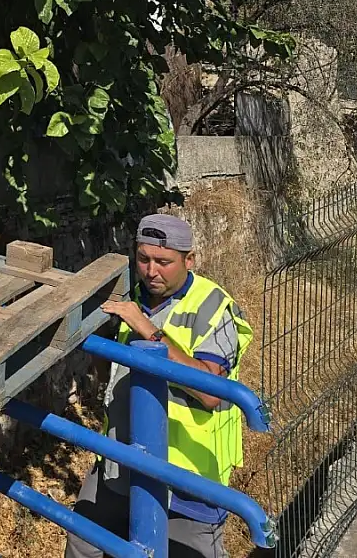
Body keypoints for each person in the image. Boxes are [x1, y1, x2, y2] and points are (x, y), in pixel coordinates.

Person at [66, 214, 252, 558]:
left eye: (163, 262)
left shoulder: (213, 307)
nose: (151, 271)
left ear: (189, 260)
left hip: (188, 476)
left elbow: (210, 393)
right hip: (123, 457)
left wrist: (147, 329)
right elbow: (107, 372)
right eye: (143, 259)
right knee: (83, 540)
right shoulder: (131, 296)